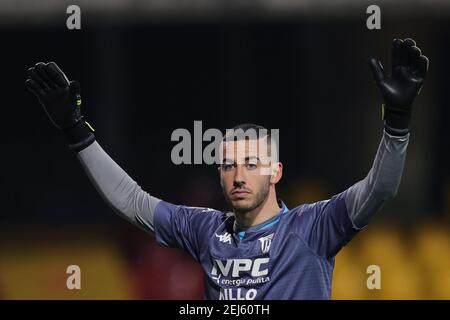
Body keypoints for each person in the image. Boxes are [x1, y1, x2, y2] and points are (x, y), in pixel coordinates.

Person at [25, 38, 428, 300]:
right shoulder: (206, 230)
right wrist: (75, 130)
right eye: (228, 165)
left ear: (276, 172)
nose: (238, 175)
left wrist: (397, 122)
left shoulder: (312, 228)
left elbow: (380, 189)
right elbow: (131, 201)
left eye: (252, 164)